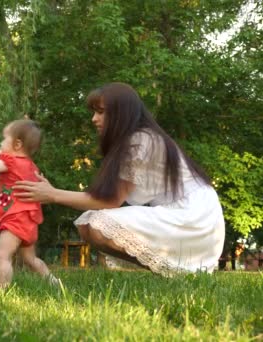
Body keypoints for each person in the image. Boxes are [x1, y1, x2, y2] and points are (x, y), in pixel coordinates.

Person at [13, 83, 225, 276]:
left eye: (101, 112)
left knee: (97, 224)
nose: (94, 119)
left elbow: (110, 201)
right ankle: (170, 270)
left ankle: (175, 271)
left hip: (194, 217)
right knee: (88, 224)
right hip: (183, 214)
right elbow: (106, 198)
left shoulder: (142, 141)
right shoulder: (135, 140)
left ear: (121, 114)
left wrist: (53, 194)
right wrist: (53, 193)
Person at [0, 119, 58, 288]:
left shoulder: (10, 162)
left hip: (14, 217)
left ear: (17, 144)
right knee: (31, 260)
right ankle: (53, 282)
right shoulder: (32, 166)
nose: (1, 143)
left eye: (4, 139)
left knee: (3, 255)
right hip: (29, 220)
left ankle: (3, 290)